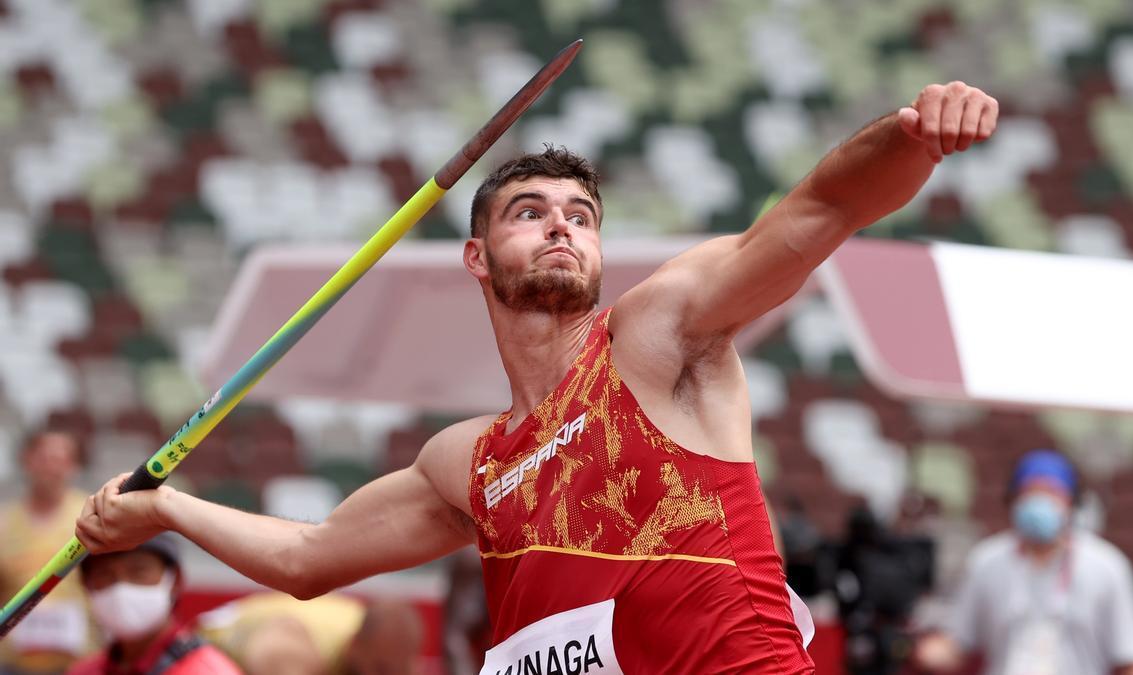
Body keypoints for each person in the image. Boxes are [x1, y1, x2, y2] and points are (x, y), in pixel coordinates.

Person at [76, 81, 999, 673]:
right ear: (478, 257)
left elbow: (819, 208)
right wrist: (165, 509)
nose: (562, 227)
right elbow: (311, 560)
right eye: (530, 212)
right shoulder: (467, 461)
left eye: (581, 216)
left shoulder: (657, 335)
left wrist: (916, 134)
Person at [915, 449, 1133, 675]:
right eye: (1030, 493)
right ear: (1013, 500)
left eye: (1051, 493)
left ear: (1072, 503)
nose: (1040, 501)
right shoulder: (987, 560)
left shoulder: (1106, 566)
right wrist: (920, 649)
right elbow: (957, 644)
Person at [67, 535, 240, 675]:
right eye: (104, 575)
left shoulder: (207, 671)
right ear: (86, 586)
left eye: (138, 571)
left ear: (175, 580)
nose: (121, 587)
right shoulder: (83, 671)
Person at [1, 431, 93, 675]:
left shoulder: (92, 516)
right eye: (43, 458)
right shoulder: (3, 524)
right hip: (13, 663)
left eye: (61, 459)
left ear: (74, 466)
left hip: (79, 661)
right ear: (26, 460)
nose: (51, 467)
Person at [196, 592, 423, 675]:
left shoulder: (385, 644)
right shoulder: (296, 651)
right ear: (354, 645)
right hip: (197, 649)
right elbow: (268, 658)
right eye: (380, 670)